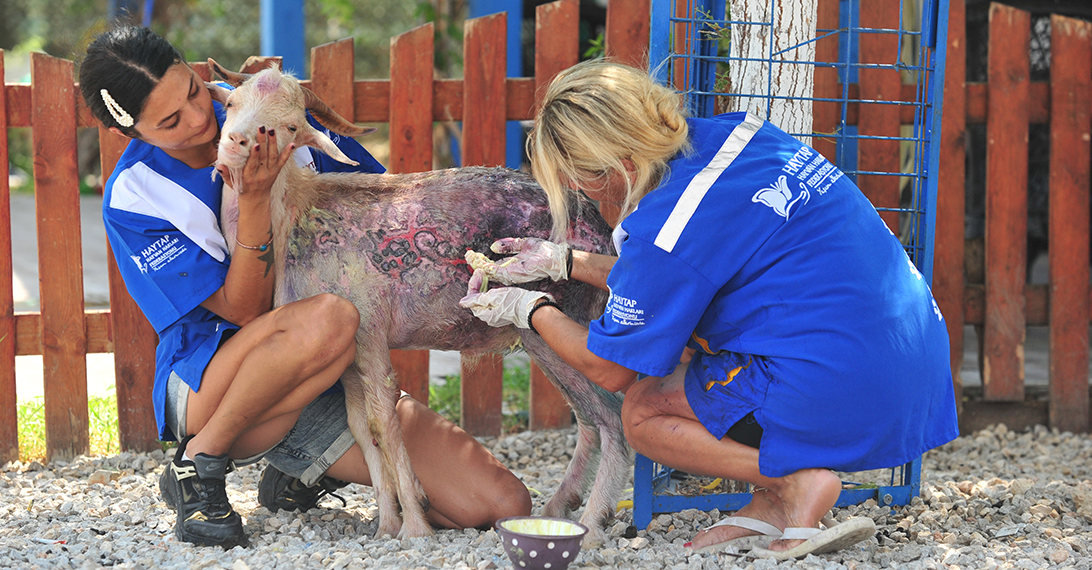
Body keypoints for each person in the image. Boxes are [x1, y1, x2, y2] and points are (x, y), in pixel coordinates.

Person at [460, 59, 958, 559]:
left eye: (586, 174)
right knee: (702, 356)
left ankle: (793, 484)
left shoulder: (669, 225)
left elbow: (608, 367)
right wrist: (565, 261)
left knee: (643, 410)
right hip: (914, 364)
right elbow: (675, 276)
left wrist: (528, 308)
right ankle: (772, 504)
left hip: (850, 388)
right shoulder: (743, 135)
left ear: (613, 160)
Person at [79, 26, 530, 549]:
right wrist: (253, 202)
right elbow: (243, 312)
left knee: (500, 506)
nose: (202, 118)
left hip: (324, 370)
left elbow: (378, 213)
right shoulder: (136, 194)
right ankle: (198, 465)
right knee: (331, 318)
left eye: (195, 92)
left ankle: (302, 471)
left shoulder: (266, 111)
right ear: (130, 133)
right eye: (172, 121)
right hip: (218, 384)